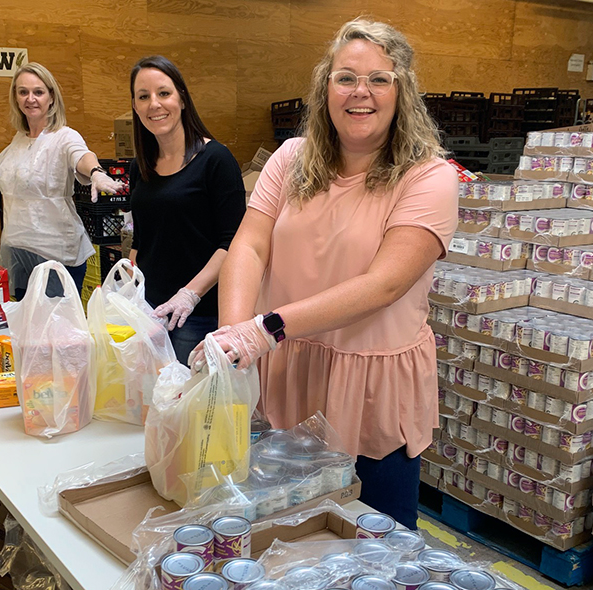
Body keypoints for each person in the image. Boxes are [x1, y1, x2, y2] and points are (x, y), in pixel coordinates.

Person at [194, 19, 458, 529]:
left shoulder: (429, 177)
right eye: (346, 78)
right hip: (286, 368)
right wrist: (233, 334)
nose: (361, 92)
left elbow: (384, 284)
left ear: (402, 91)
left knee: (374, 540)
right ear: (325, 88)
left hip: (366, 389)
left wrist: (263, 328)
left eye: (379, 79)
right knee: (285, 532)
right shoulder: (292, 160)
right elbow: (248, 244)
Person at [127, 55, 246, 365]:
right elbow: (141, 239)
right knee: (155, 403)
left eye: (163, 93)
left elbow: (233, 243)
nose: (154, 104)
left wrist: (189, 295)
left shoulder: (216, 160)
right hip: (150, 310)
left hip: (196, 315)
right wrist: (129, 281)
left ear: (181, 98)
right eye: (144, 96)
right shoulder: (140, 167)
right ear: (136, 107)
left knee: (187, 405)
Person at [0, 62, 122, 300]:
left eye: (38, 92)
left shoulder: (64, 136)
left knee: (54, 330)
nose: (31, 99)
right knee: (24, 325)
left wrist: (96, 172)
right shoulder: (20, 139)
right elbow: (22, 172)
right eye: (23, 92)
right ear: (16, 98)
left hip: (55, 253)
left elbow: (81, 156)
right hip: (17, 250)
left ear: (51, 97)